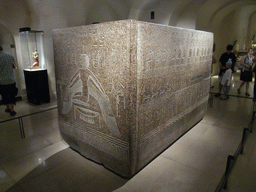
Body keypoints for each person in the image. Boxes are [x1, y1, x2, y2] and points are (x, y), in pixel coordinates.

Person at [0, 45, 17, 116]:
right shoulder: (9, 56)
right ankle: (12, 110)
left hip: (2, 81)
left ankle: (8, 108)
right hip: (11, 79)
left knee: (4, 95)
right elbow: (14, 66)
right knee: (12, 95)